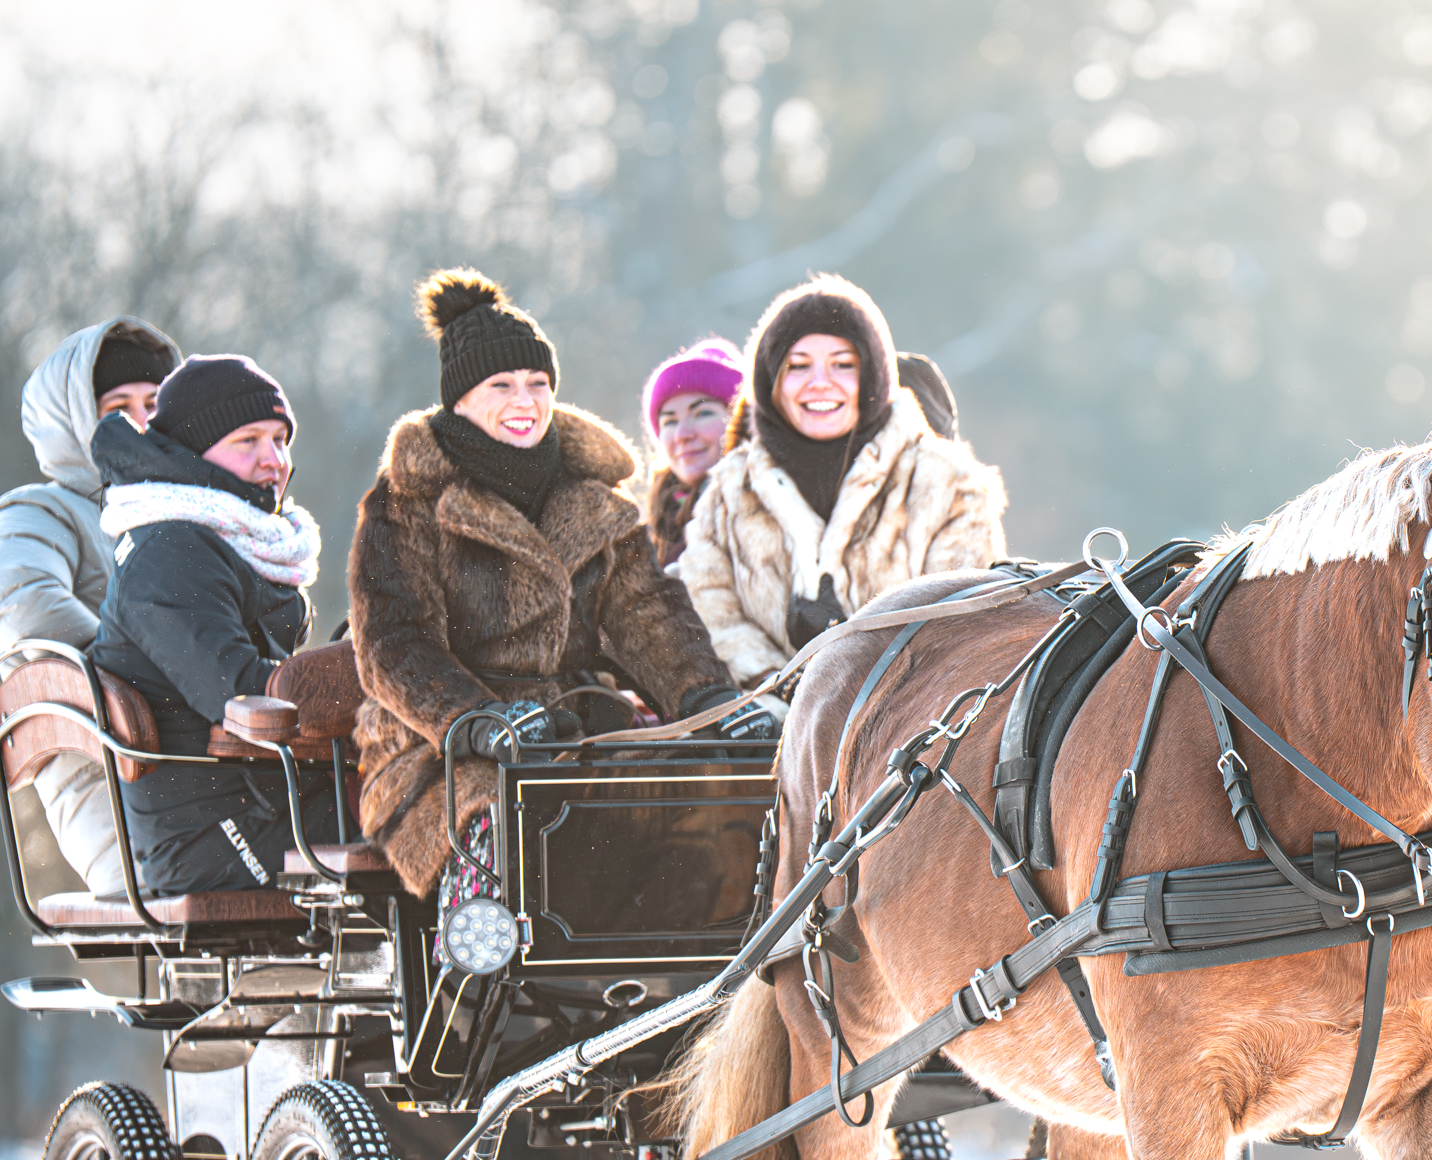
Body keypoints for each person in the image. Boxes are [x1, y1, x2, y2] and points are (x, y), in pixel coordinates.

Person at [350, 269, 741, 913]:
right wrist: (476, 721)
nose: (523, 399)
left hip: (577, 730)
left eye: (537, 384)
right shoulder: (407, 504)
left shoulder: (594, 500)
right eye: (500, 385)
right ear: (460, 402)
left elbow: (647, 612)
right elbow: (394, 643)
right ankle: (475, 971)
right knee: (495, 825)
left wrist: (710, 698)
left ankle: (695, 987)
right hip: (440, 750)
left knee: (699, 808)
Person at [87, 354, 338, 898]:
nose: (273, 460)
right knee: (448, 813)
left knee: (452, 793)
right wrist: (353, 679)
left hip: (261, 798)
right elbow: (243, 694)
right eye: (247, 441)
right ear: (193, 451)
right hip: (214, 834)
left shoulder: (223, 538)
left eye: (280, 440)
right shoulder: (169, 549)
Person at [678, 274, 1007, 682]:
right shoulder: (729, 489)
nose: (820, 382)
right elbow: (709, 613)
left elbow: (963, 628)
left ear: (873, 374)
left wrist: (847, 678)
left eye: (842, 364)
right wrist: (776, 688)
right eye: (798, 366)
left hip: (904, 729)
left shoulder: (948, 483)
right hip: (757, 725)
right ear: (770, 381)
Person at [0, 315, 179, 897]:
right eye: (117, 409)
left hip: (205, 787)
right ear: (76, 422)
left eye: (155, 404)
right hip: (124, 805)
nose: (141, 423)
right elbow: (18, 598)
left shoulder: (180, 517)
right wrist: (156, 688)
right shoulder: (40, 513)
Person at [639, 335, 745, 569]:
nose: (681, 434)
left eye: (702, 413)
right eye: (669, 422)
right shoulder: (651, 536)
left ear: (740, 421)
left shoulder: (771, 512)